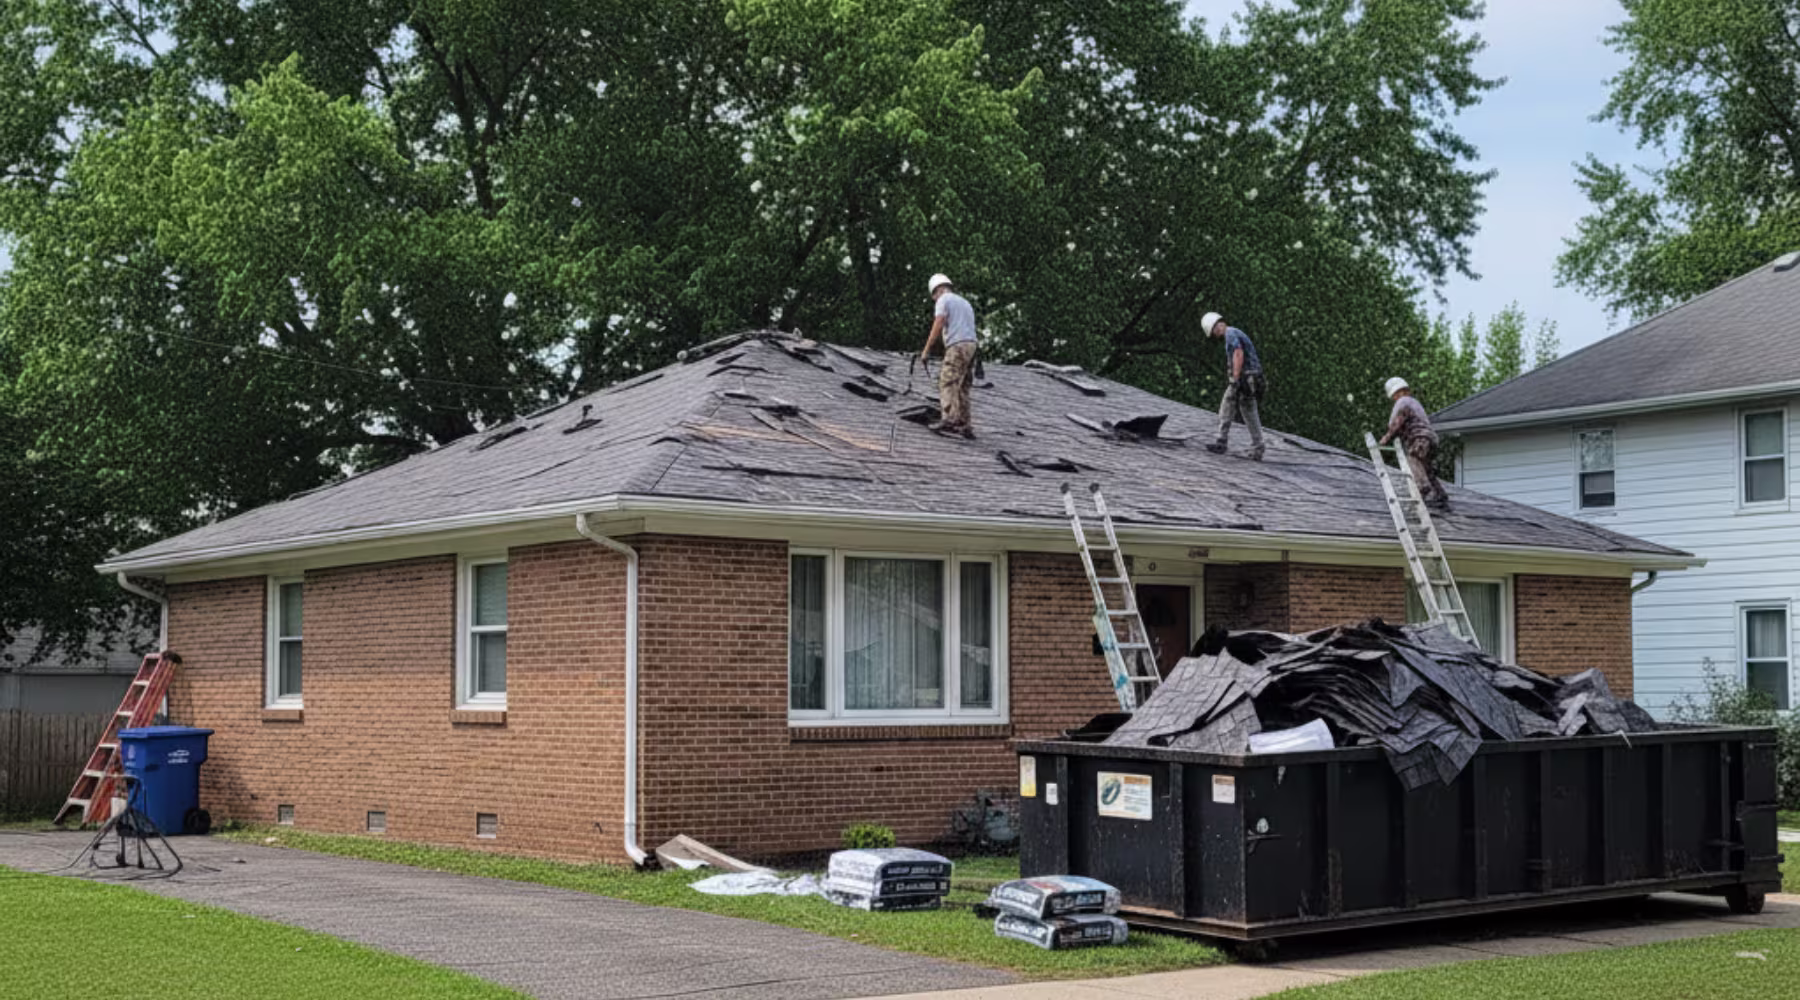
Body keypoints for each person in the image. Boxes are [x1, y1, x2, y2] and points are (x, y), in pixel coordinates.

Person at [1201, 312, 1266, 461]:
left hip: (1244, 377)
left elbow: (1238, 353)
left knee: (1227, 404)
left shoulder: (1230, 334)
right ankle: (1258, 447)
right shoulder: (1235, 332)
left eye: (1213, 332)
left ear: (1215, 327)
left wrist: (1235, 379)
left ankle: (1221, 441)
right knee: (1249, 410)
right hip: (1253, 377)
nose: (1215, 335)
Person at [920, 273, 978, 438]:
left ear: (937, 290)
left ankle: (950, 419)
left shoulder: (943, 300)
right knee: (963, 386)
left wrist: (926, 350)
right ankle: (965, 424)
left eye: (934, 296)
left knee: (947, 380)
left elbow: (938, 323)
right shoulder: (965, 303)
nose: (935, 299)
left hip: (957, 345)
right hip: (972, 346)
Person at [1379, 377, 1448, 507]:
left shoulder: (1404, 403)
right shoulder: (1414, 403)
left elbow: (1397, 424)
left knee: (1413, 459)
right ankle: (1440, 494)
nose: (1394, 399)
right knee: (1426, 468)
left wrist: (1386, 438)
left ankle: (1423, 488)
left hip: (1420, 438)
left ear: (1397, 394)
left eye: (1394, 396)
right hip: (1431, 439)